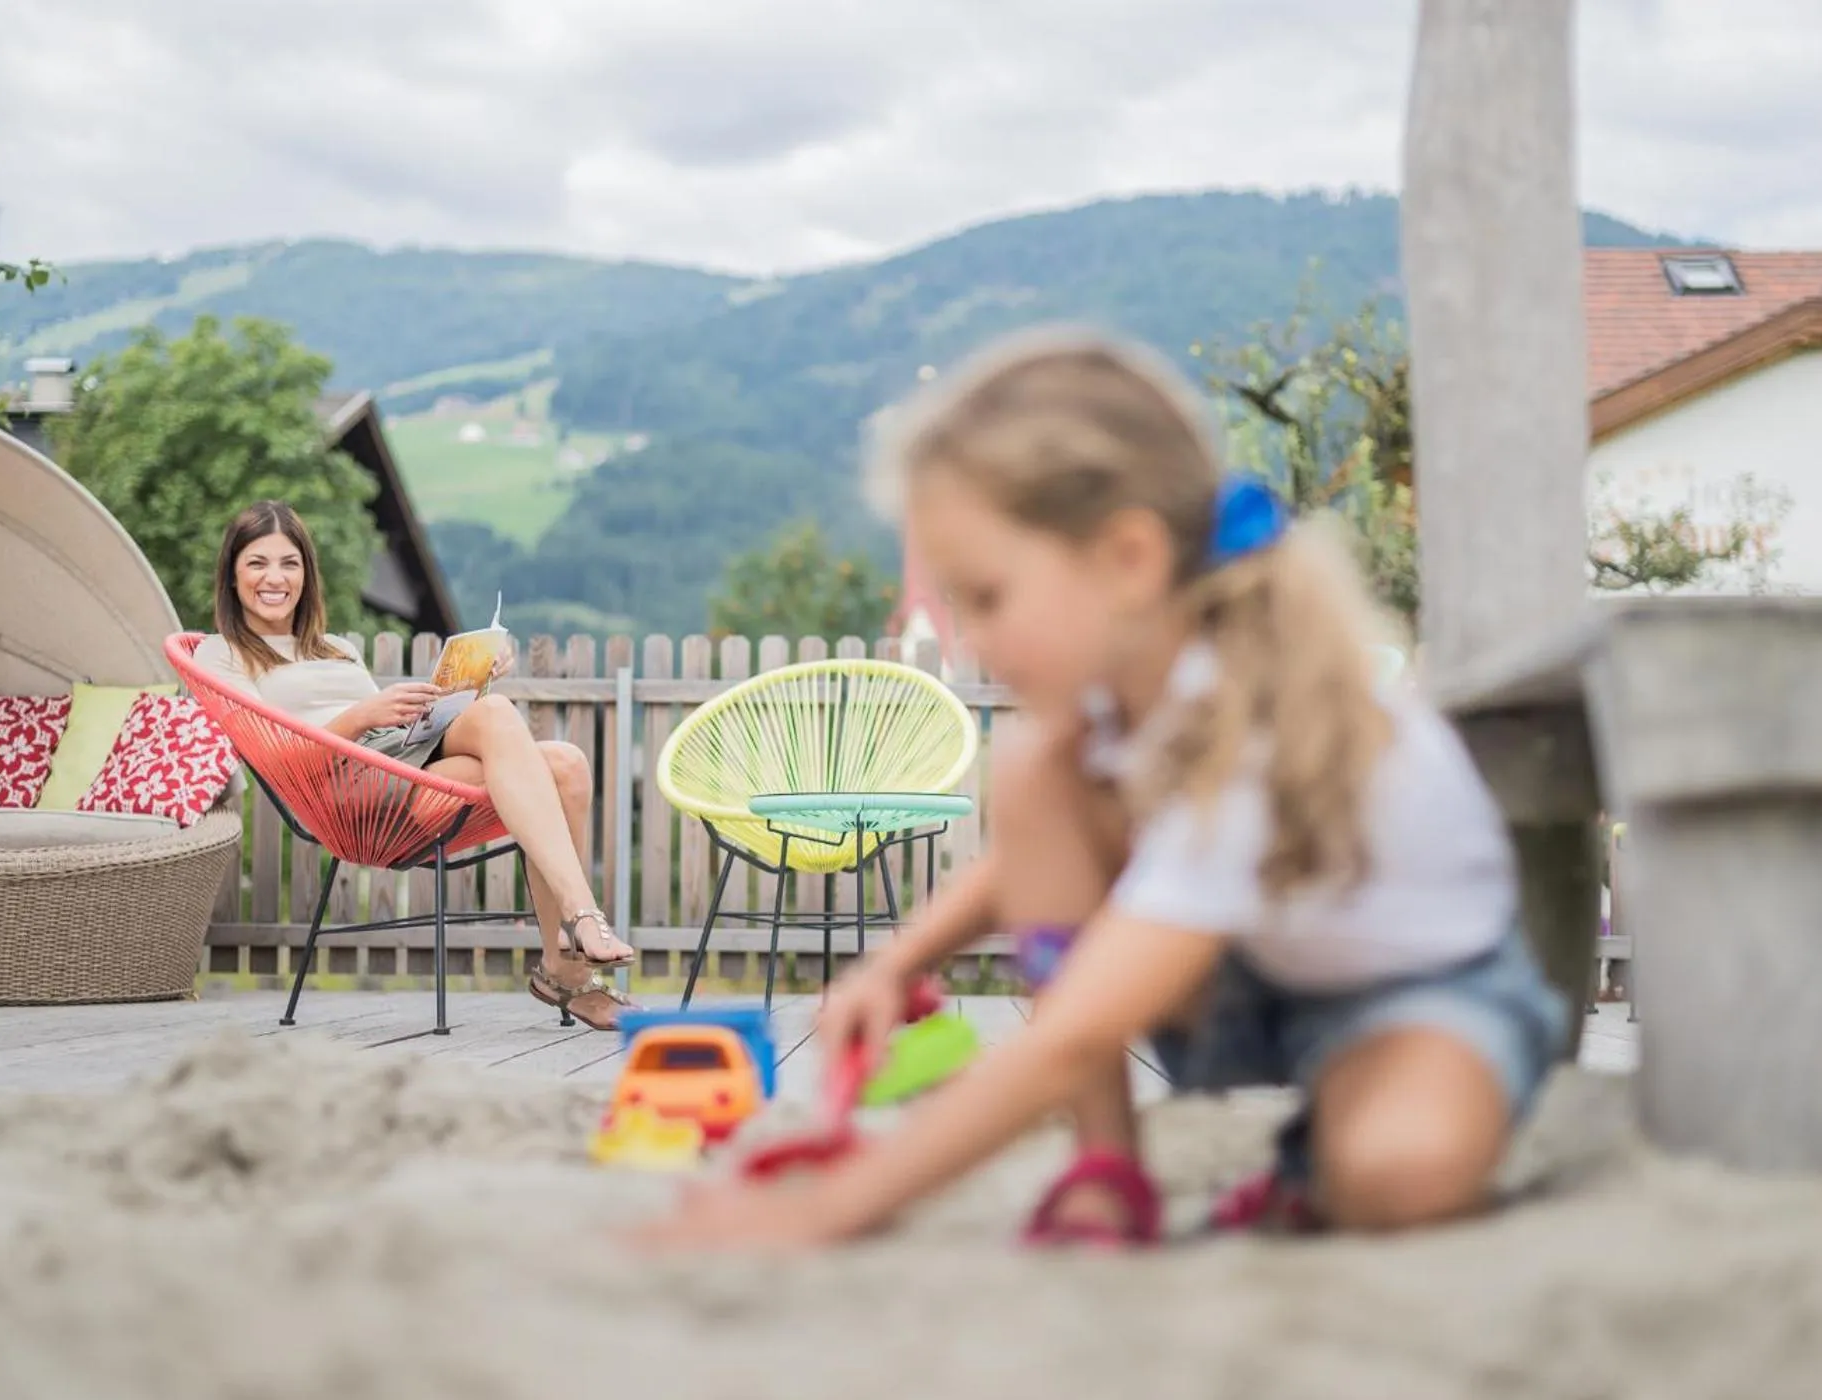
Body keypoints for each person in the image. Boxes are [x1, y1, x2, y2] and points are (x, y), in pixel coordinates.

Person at [640, 330, 1567, 1250]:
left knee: (1397, 1177)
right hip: (1256, 983)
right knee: (1037, 767)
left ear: (1128, 559)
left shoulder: (1251, 724)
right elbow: (1027, 863)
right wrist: (898, 961)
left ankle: (1318, 1162)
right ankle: (1107, 1167)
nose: (971, 641)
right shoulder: (1123, 702)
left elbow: (1073, 1037)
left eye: (989, 600)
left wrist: (820, 1215)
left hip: (1423, 997)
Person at [195, 501, 637, 1031]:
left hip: (394, 757)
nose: (275, 577)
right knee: (531, 754)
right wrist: (362, 717)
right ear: (232, 573)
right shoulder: (218, 655)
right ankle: (579, 928)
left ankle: (563, 964)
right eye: (257, 563)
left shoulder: (334, 648)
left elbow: (392, 733)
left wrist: (467, 681)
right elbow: (275, 759)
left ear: (307, 574)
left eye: (290, 563)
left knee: (565, 760)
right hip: (341, 793)